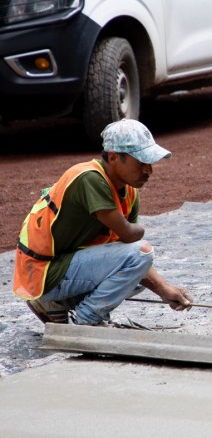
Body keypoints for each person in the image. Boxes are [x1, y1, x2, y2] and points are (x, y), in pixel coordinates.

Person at [13, 119, 193, 326]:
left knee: (136, 276)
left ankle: (53, 304)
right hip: (41, 272)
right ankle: (86, 320)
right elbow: (130, 236)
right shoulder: (89, 178)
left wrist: (164, 289)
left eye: (149, 163)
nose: (148, 171)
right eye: (141, 162)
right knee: (141, 255)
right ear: (114, 157)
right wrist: (139, 231)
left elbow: (128, 252)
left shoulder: (129, 191)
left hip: (59, 269)